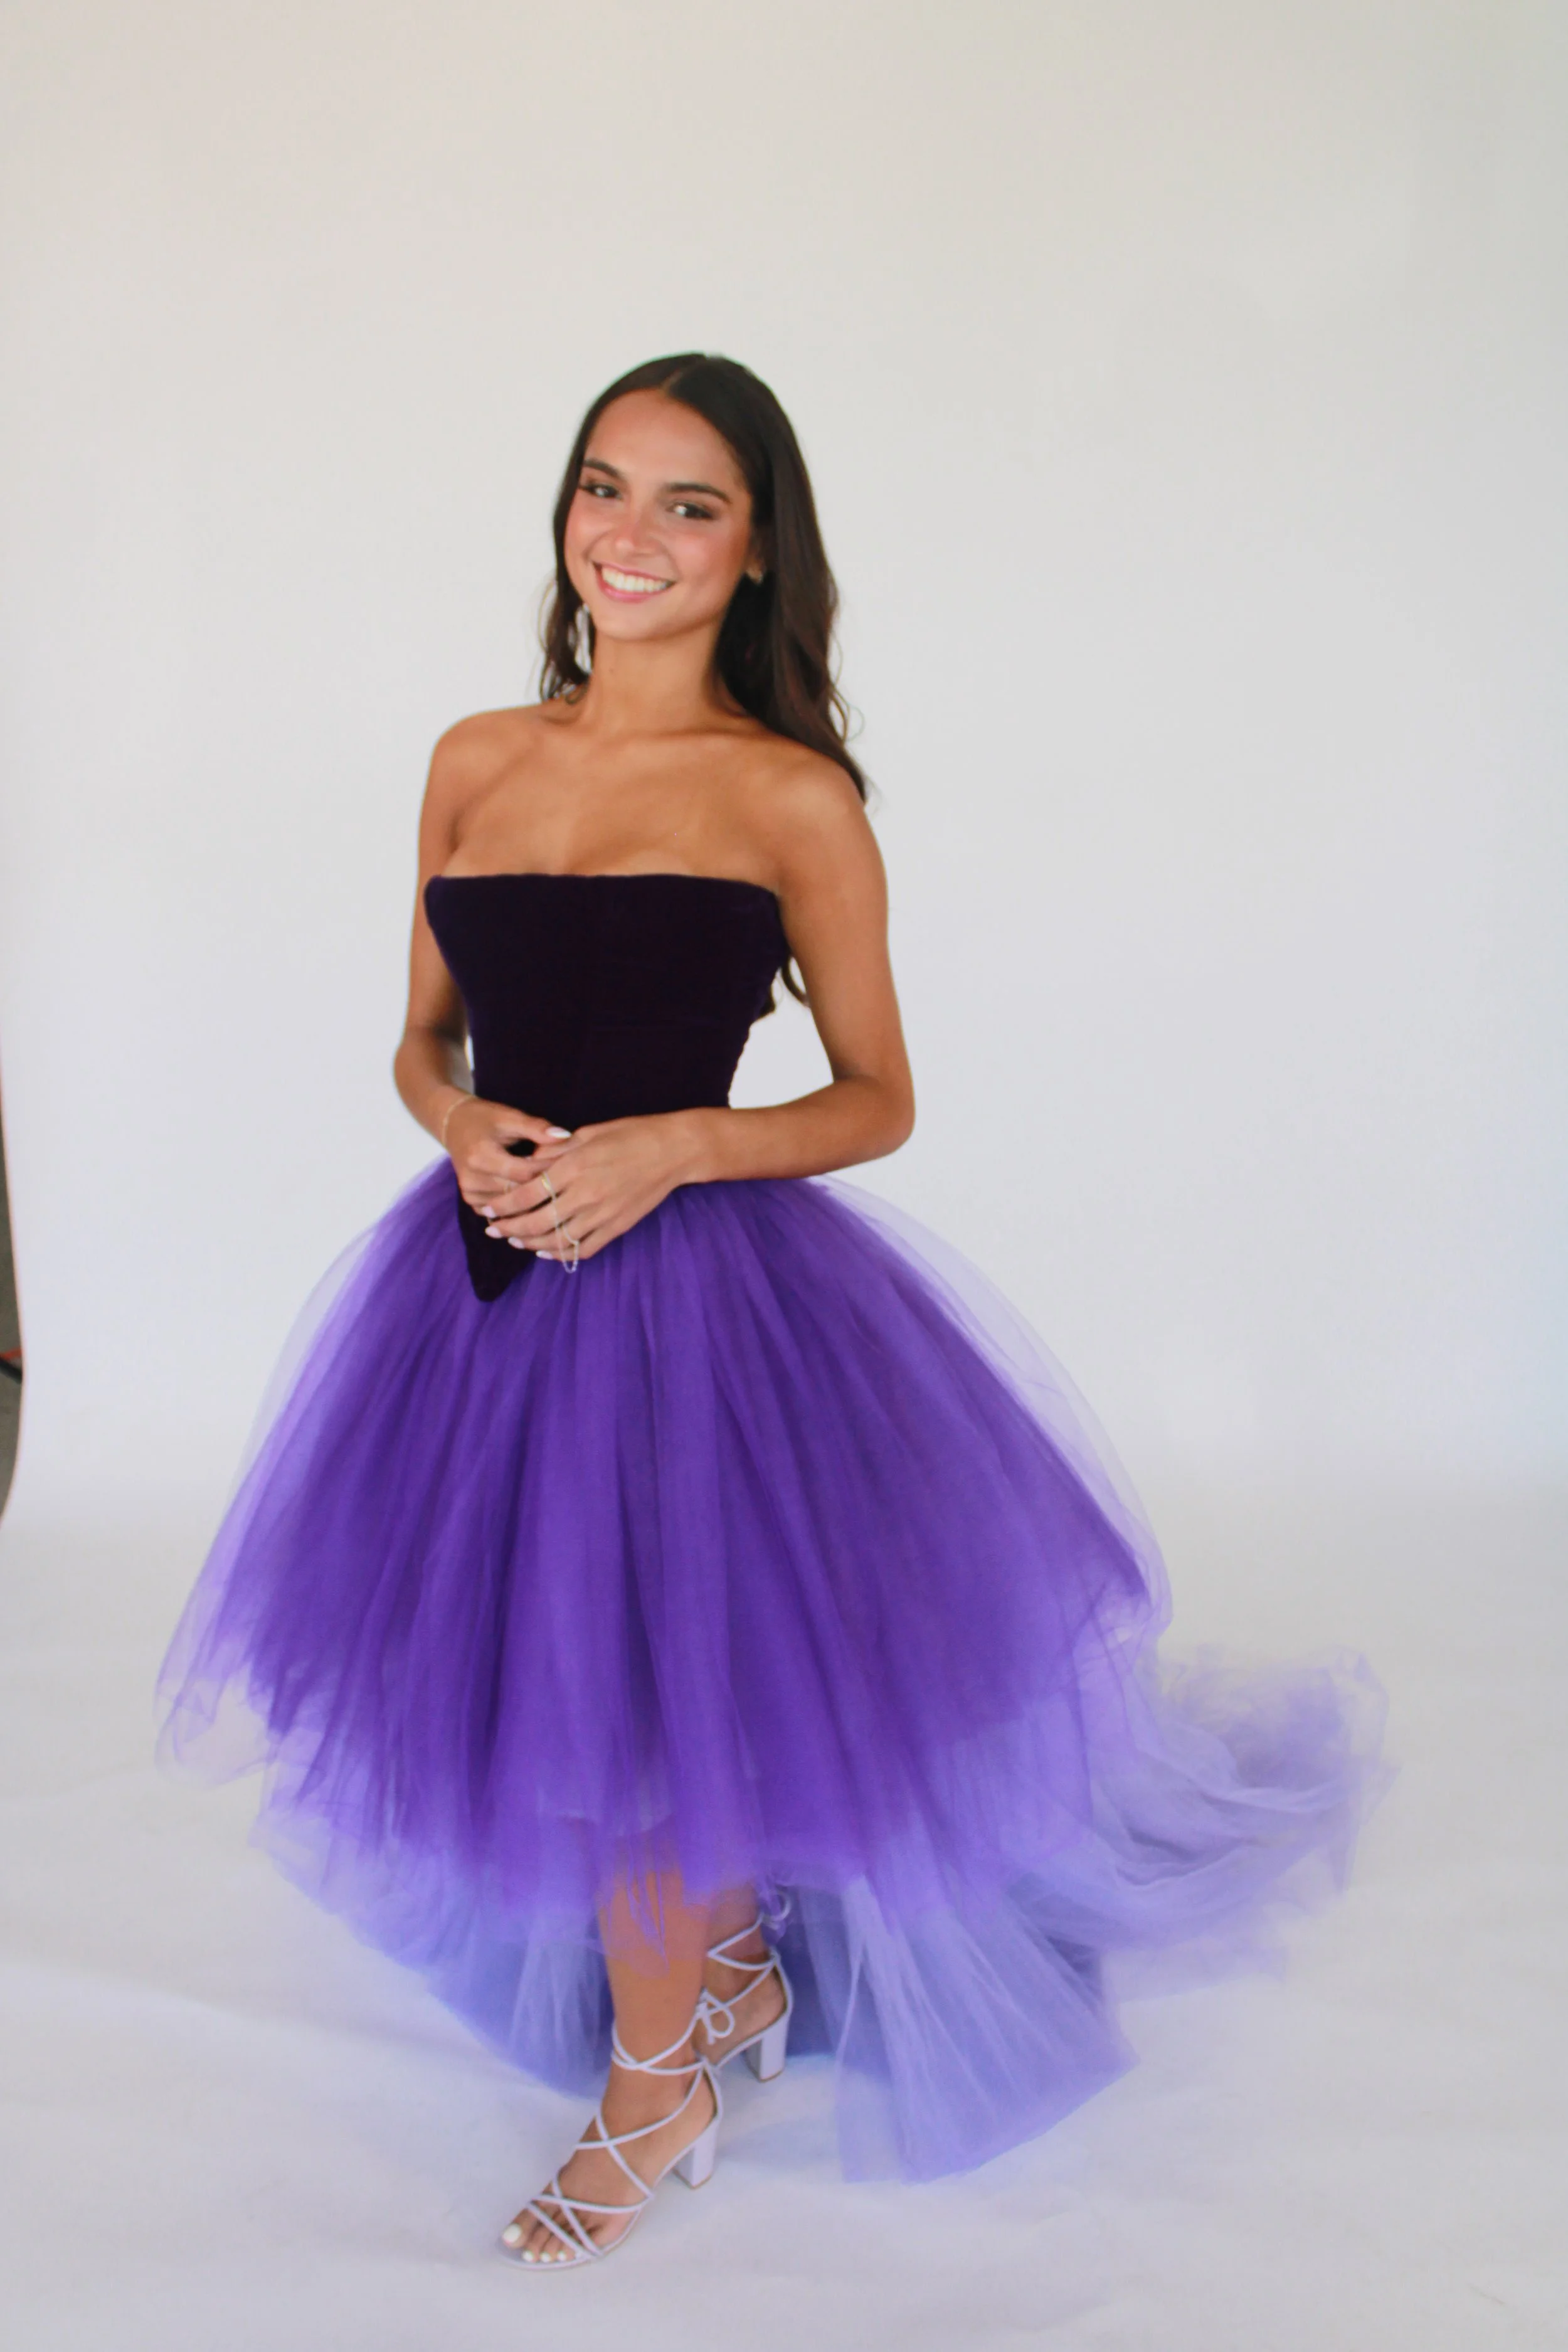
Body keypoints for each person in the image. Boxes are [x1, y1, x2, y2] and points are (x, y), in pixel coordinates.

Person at [158, 354, 1385, 2269]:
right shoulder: (477, 753)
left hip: (692, 1302)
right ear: (563, 517)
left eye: (688, 503)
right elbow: (417, 1034)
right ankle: (711, 1984)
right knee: (542, 1666)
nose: (628, 535)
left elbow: (878, 1096)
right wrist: (454, 1112)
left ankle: (667, 2070)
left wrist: (670, 1148)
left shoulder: (789, 796)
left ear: (753, 554)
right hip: (478, 1277)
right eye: (603, 488)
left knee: (652, 1676)